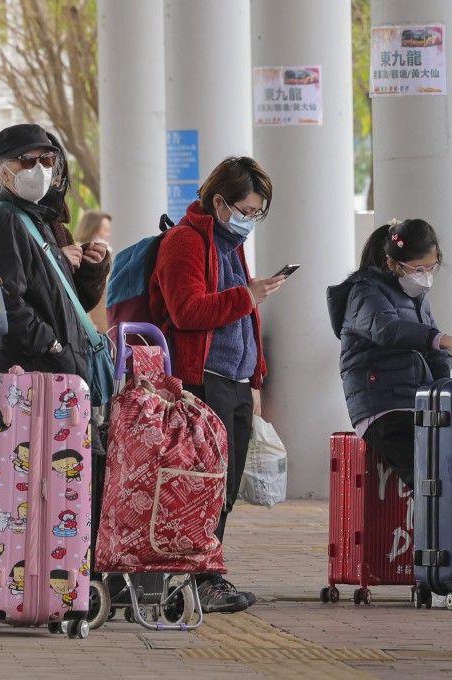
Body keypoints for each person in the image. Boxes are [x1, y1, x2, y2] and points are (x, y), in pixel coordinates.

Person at [148, 156, 285, 613]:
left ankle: (203, 575)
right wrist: (247, 295)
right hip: (199, 382)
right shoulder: (183, 242)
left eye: (258, 213)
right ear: (220, 201)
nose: (250, 220)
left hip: (233, 382)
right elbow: (187, 311)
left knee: (221, 489)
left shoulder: (228, 245)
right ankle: (189, 581)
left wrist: (255, 378)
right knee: (199, 486)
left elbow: (240, 321)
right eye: (246, 210)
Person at [326, 220, 452, 489]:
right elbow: (388, 329)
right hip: (383, 407)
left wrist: (443, 396)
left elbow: (434, 356)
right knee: (431, 480)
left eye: (432, 267)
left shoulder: (417, 299)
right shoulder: (364, 293)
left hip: (416, 405)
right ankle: (434, 530)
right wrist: (445, 340)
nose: (426, 275)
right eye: (418, 269)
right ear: (393, 263)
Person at [0, 123, 110, 382]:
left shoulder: (39, 221)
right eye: (27, 161)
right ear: (4, 171)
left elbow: (56, 301)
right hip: (31, 379)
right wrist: (52, 346)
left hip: (55, 374)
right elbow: (6, 301)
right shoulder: (5, 221)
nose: (40, 169)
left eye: (47, 160)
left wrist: (87, 269)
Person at [74, 210, 113, 333]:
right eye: (105, 230)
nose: (108, 234)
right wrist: (90, 326)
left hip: (106, 325)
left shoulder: (105, 257)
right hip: (94, 328)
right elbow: (82, 294)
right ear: (93, 229)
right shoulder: (80, 257)